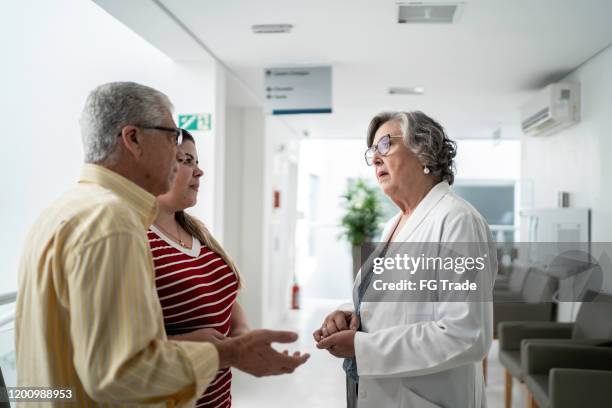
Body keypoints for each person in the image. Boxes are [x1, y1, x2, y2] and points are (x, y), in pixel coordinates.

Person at [15, 81, 309, 408]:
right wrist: (228, 353)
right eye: (172, 138)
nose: (177, 154)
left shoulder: (64, 210)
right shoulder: (114, 221)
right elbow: (121, 375)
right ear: (133, 138)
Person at [313, 111, 497, 408]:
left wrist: (363, 346)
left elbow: (466, 334)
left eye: (385, 144)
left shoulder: (457, 221)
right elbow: (399, 304)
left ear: (425, 152)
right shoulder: (396, 224)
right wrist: (351, 316)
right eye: (371, 151)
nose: (375, 158)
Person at [148, 129, 247, 408]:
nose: (200, 171)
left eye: (197, 161)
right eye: (187, 160)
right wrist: (184, 343)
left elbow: (223, 293)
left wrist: (242, 334)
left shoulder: (195, 230)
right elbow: (117, 350)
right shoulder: (134, 240)